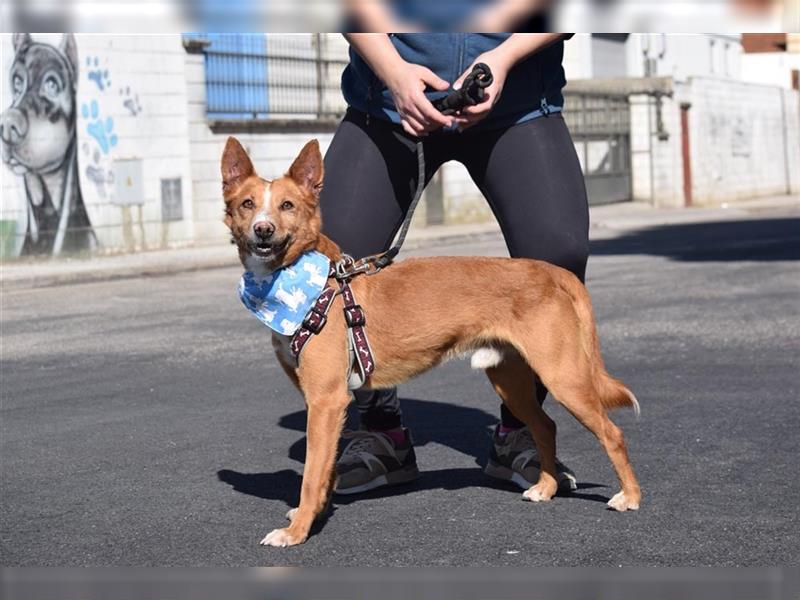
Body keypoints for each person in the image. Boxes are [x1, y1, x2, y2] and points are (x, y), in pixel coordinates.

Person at [319, 32, 589, 496]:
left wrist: (502, 59)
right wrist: (392, 72)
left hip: (516, 104)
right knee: (331, 261)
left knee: (558, 252)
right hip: (389, 103)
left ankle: (518, 431)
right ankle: (381, 432)